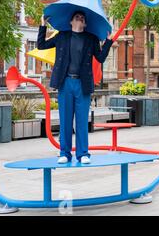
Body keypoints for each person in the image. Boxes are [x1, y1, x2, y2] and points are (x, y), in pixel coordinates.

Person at [38, 11, 113, 164]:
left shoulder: (91, 39)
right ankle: (64, 153)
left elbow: (100, 57)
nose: (80, 18)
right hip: (65, 83)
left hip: (82, 83)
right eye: (77, 17)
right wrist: (42, 26)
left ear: (85, 24)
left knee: (81, 120)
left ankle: (83, 154)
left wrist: (108, 42)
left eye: (82, 18)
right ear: (71, 22)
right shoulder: (61, 36)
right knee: (65, 119)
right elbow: (41, 45)